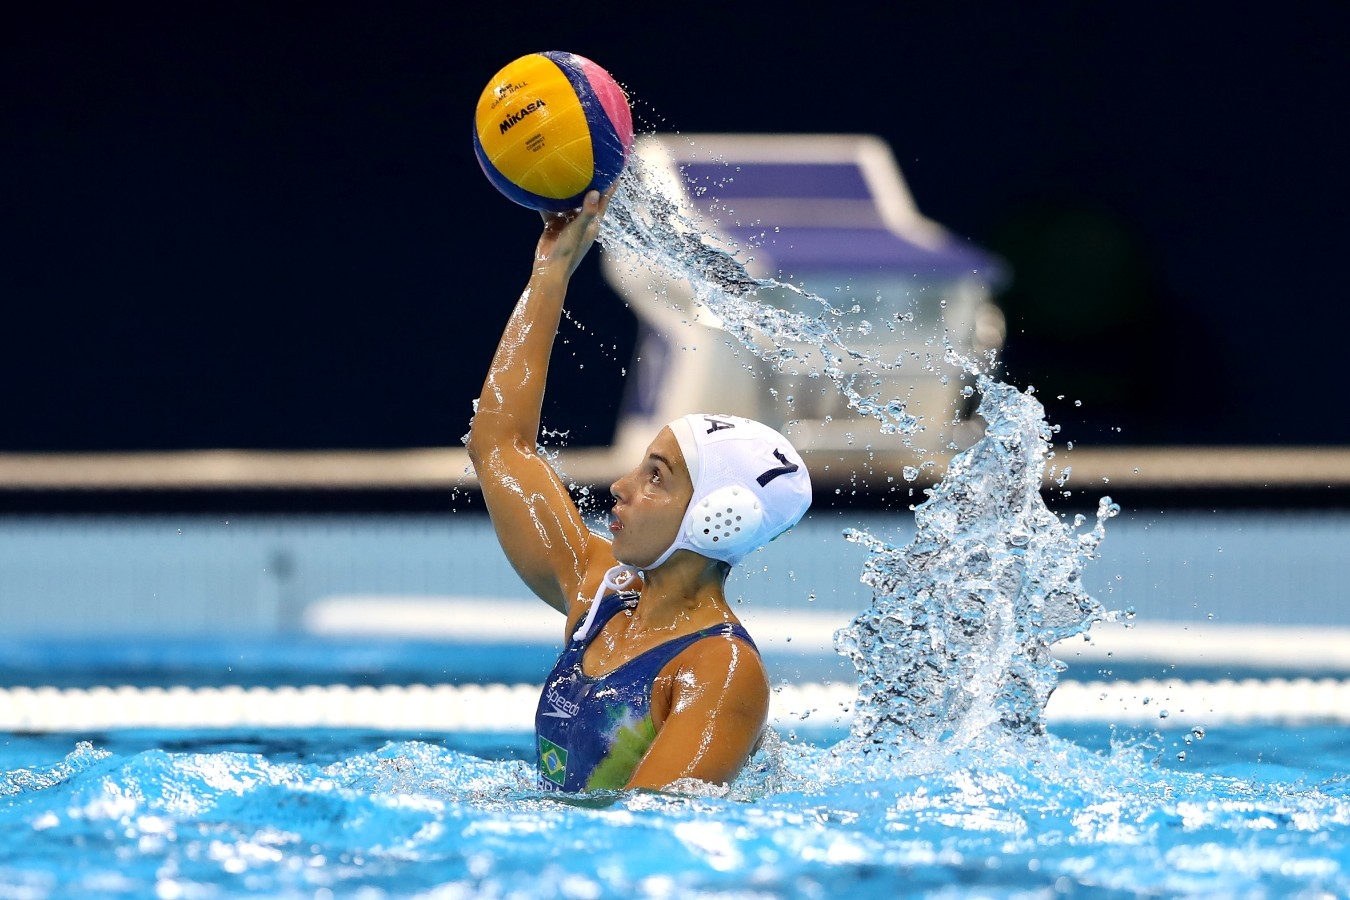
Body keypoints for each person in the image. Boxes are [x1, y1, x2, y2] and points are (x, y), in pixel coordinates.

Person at [466, 187, 812, 793]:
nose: (622, 486)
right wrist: (550, 272)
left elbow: (647, 834)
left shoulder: (719, 669)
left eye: (656, 475)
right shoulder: (600, 595)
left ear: (718, 517)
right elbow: (499, 445)